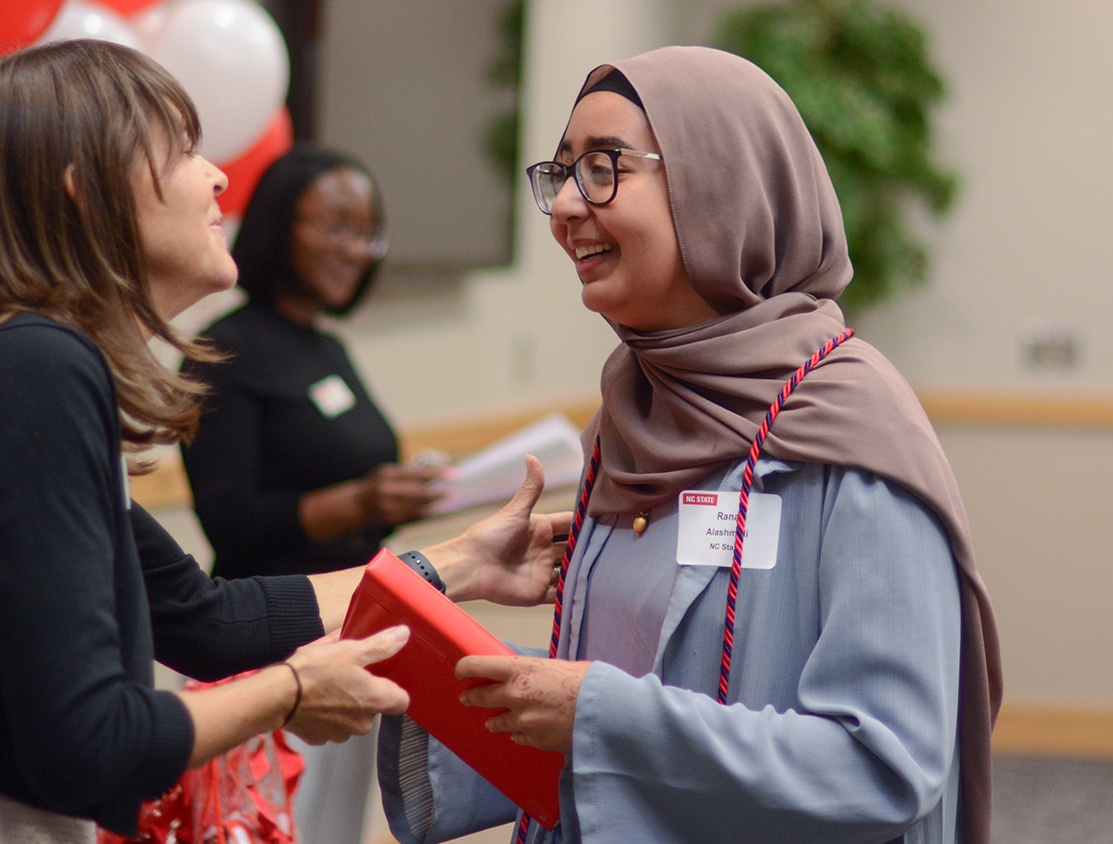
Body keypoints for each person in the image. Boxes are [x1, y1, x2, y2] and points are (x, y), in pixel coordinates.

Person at [0, 39, 567, 844]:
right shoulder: (29, 367)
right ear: (84, 191)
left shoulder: (4, 361)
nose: (219, 175)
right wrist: (292, 691)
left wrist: (461, 563)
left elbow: (205, 619)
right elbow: (93, 742)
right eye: (184, 150)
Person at [375, 46, 1002, 844]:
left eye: (604, 168)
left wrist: (592, 712)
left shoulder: (850, 426)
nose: (567, 205)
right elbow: (643, 673)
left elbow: (882, 764)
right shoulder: (629, 416)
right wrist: (478, 680)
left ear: (721, 185)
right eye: (561, 173)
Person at [178, 145, 446, 844]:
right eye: (334, 226)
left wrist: (393, 498)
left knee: (331, 829)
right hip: (266, 643)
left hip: (351, 630)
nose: (355, 248)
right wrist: (359, 502)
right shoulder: (223, 350)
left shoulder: (327, 348)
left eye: (367, 232)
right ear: (276, 225)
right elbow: (231, 522)